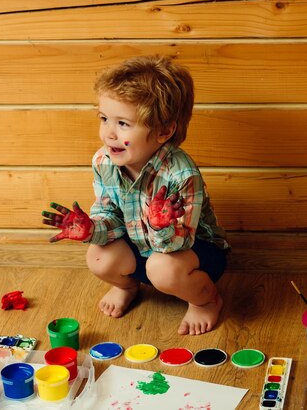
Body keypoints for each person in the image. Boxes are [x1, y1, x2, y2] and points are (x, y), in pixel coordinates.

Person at [42, 55, 229, 335]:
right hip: (140, 246)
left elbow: (179, 242)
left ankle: (205, 300)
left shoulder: (180, 175)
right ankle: (127, 286)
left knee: (162, 268)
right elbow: (110, 216)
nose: (109, 133)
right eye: (105, 118)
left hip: (189, 253)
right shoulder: (104, 161)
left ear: (164, 131)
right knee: (98, 256)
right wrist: (92, 229)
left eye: (123, 124)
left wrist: (160, 224)